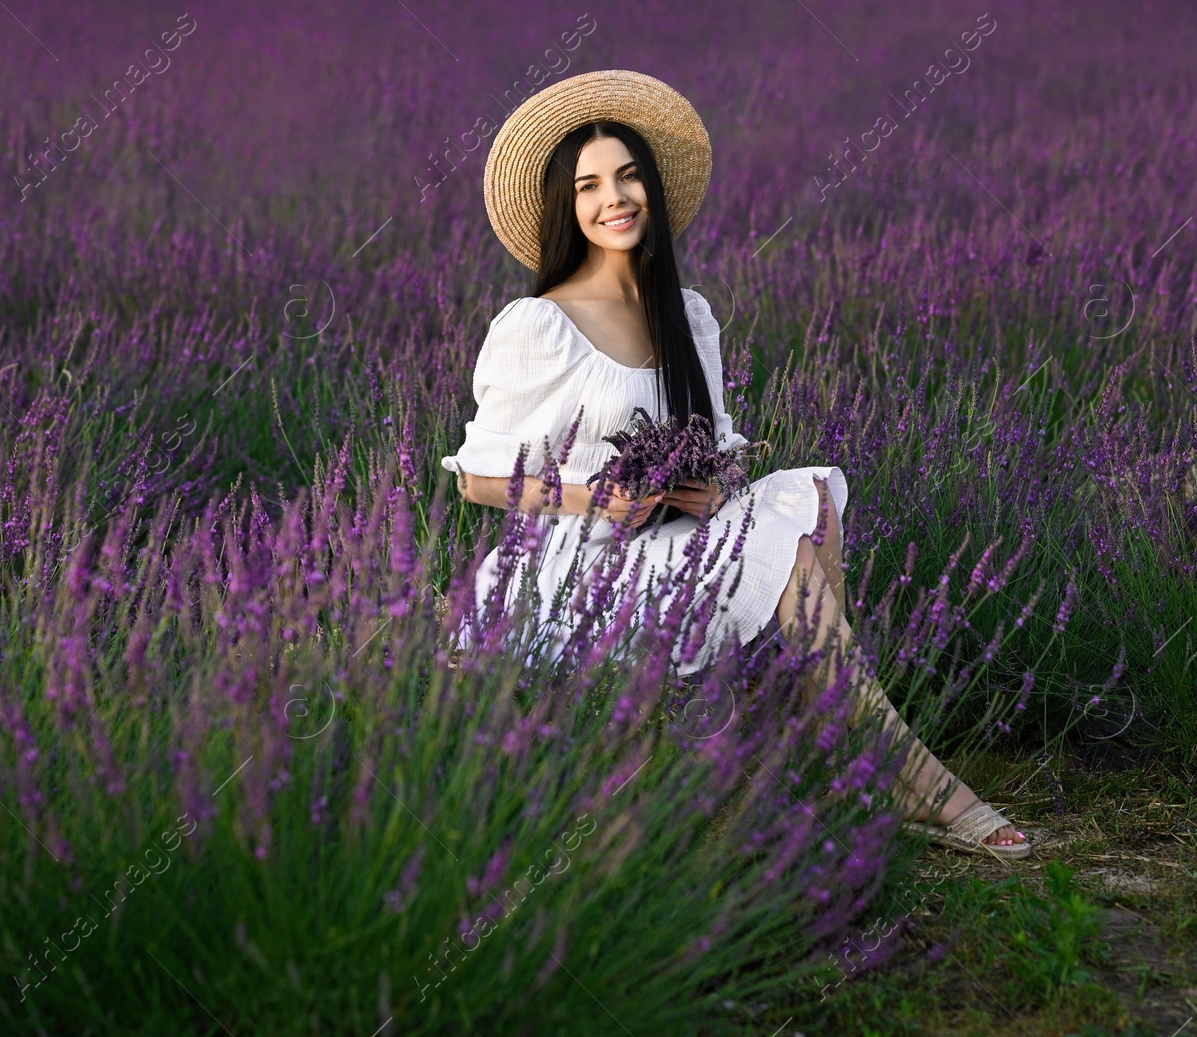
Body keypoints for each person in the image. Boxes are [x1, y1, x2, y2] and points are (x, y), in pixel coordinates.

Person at [440, 70, 1029, 858]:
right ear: (565, 208)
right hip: (580, 559)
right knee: (784, 553)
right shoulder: (537, 324)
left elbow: (713, 445)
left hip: (672, 530)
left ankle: (832, 744)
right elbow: (479, 481)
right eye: (588, 186)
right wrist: (598, 499)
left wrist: (705, 484)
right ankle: (896, 773)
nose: (614, 198)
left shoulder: (687, 315)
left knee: (807, 502)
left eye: (627, 175)